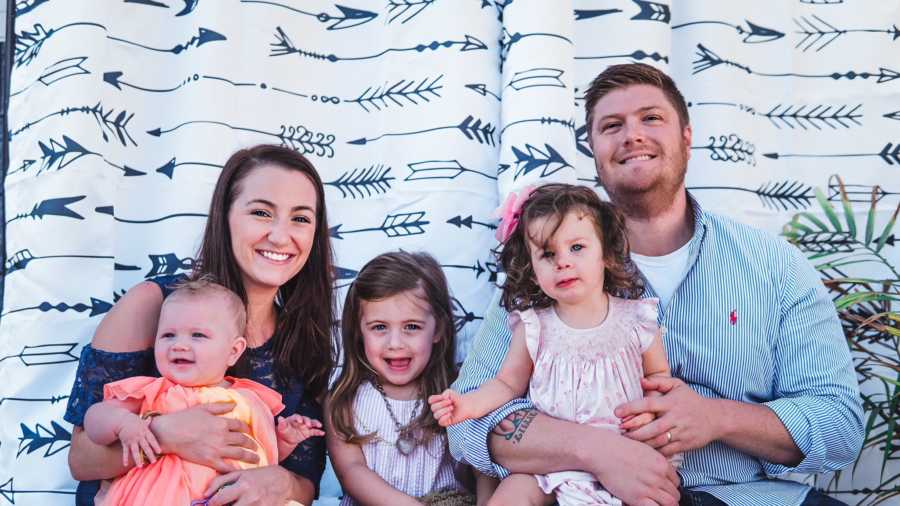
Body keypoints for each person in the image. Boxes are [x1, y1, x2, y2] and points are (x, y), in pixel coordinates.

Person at [447, 63, 864, 506]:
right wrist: (597, 450)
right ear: (593, 149)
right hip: (585, 494)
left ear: (686, 135)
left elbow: (839, 426)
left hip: (746, 496)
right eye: (612, 126)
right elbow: (469, 423)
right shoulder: (548, 269)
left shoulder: (774, 266)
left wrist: (715, 418)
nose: (632, 135)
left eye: (651, 118)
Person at [65, 144, 335, 506]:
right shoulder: (155, 304)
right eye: (261, 213)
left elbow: (306, 481)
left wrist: (282, 483)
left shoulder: (303, 337)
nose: (280, 235)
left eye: (300, 218)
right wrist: (165, 434)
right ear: (225, 216)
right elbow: (81, 460)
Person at [430, 183, 674, 506]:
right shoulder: (534, 326)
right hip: (548, 465)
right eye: (548, 253)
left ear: (606, 254)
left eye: (577, 248)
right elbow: (506, 384)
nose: (563, 262)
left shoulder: (637, 320)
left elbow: (659, 380)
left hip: (627, 455)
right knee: (512, 495)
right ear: (532, 270)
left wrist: (651, 416)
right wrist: (468, 405)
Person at [83, 278, 324, 505]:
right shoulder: (154, 390)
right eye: (168, 335)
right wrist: (125, 424)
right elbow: (95, 418)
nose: (179, 344)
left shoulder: (249, 399)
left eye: (197, 335)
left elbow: (255, 454)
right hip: (162, 496)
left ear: (233, 351)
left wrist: (283, 441)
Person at [326, 251, 478, 506]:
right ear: (359, 332)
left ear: (438, 328)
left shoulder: (457, 393)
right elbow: (352, 471)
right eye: (379, 327)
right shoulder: (344, 401)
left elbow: (473, 470)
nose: (395, 343)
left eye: (411, 327)